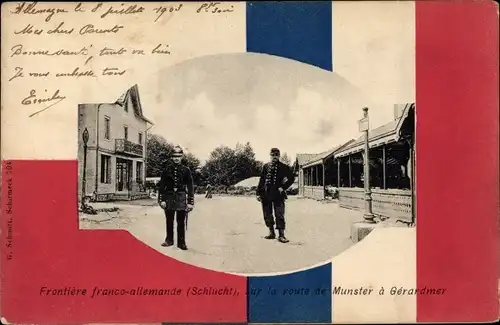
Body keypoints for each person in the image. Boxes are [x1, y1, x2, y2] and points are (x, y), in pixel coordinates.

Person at [157, 146, 194, 250]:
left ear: (181, 157)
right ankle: (169, 240)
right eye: (174, 156)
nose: (176, 158)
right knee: (169, 220)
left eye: (178, 156)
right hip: (168, 197)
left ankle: (181, 243)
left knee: (181, 221)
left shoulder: (186, 170)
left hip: (181, 197)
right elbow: (161, 186)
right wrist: (162, 200)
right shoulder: (166, 170)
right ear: (171, 158)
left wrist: (190, 202)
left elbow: (190, 187)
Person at [257, 148, 295, 243]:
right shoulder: (266, 166)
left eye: (276, 155)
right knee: (267, 213)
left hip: (278, 194)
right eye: (272, 155)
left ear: (279, 156)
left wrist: (283, 187)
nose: (274, 157)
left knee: (279, 214)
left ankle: (281, 235)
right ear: (270, 156)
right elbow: (262, 180)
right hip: (266, 194)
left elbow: (291, 178)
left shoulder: (284, 167)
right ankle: (271, 233)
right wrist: (258, 193)